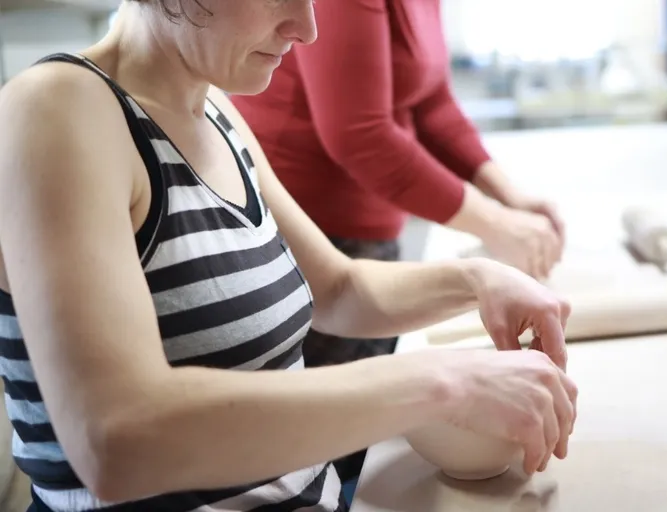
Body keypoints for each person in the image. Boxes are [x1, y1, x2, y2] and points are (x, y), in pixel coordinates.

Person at [0, 1, 578, 511]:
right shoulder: (55, 109)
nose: (307, 29)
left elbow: (338, 291)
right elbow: (115, 439)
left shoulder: (219, 113)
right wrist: (443, 382)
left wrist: (477, 280)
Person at [229, 1, 567, 484]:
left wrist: (508, 203)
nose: (303, 28)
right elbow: (359, 134)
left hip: (362, 244)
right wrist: (494, 225)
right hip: (310, 227)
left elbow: (432, 102)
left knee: (348, 451)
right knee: (324, 459)